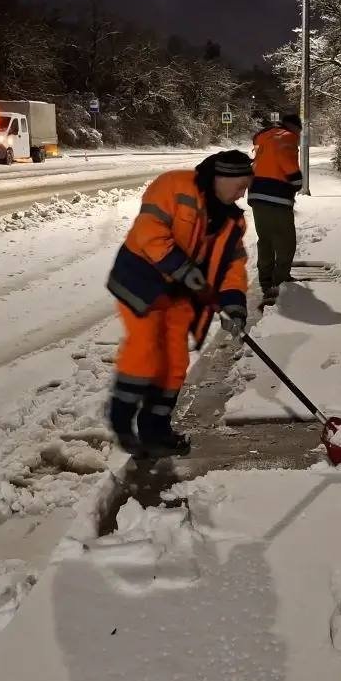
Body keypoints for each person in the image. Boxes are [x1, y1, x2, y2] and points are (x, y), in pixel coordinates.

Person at [106, 151, 252, 458]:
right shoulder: (173, 185)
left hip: (180, 295)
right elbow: (149, 232)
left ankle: (155, 429)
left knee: (174, 364)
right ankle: (121, 421)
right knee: (145, 353)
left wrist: (234, 304)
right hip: (141, 283)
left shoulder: (232, 222)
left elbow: (233, 267)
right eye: (240, 186)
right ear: (220, 178)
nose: (243, 194)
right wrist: (186, 271)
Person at [248, 114, 303, 305]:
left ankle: (265, 280)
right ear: (294, 127)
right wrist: (297, 182)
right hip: (276, 195)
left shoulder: (265, 136)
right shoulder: (286, 136)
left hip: (256, 194)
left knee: (266, 239)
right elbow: (287, 162)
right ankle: (280, 281)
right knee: (286, 240)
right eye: (299, 131)